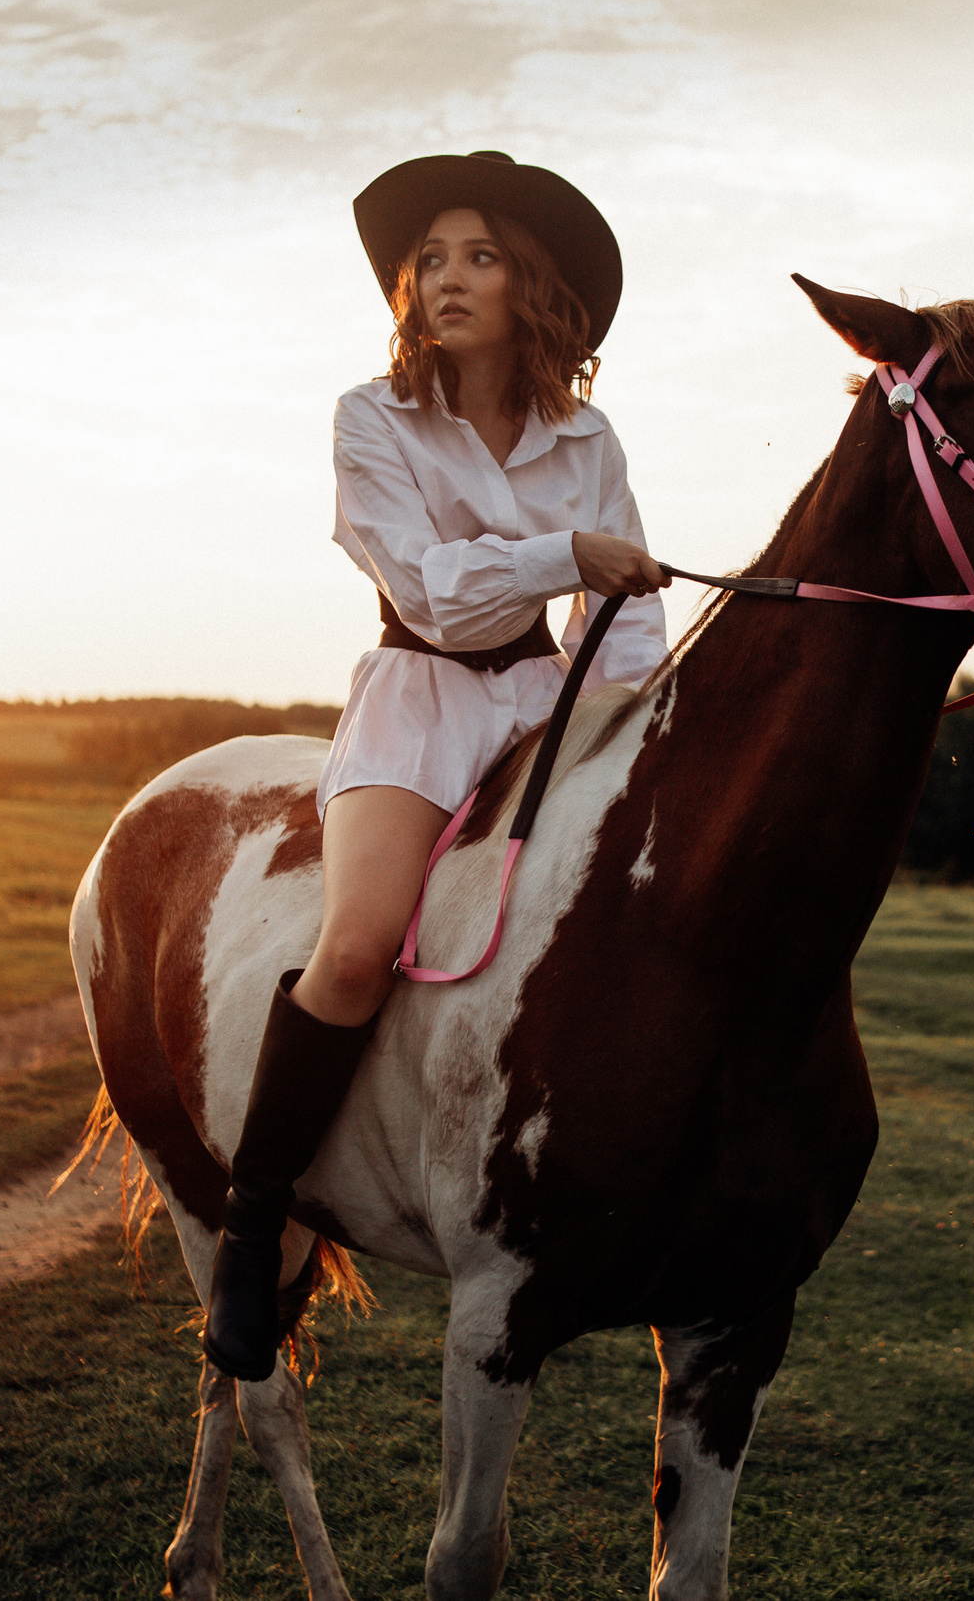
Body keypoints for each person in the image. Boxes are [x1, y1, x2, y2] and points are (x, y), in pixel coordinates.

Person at [204, 152, 671, 1379]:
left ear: (533, 286)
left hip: (546, 710)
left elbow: (624, 625)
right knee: (358, 946)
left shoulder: (588, 436)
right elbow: (426, 591)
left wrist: (616, 708)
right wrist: (565, 553)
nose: (446, 278)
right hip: (417, 703)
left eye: (480, 256)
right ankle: (258, 1224)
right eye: (429, 260)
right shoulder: (372, 418)